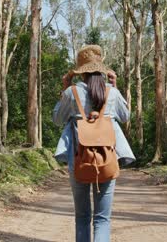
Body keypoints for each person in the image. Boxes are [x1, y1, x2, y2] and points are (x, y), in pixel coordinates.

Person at [52, 45, 135, 242]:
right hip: (107, 159)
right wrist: (114, 87)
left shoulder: (72, 93)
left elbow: (57, 119)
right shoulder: (111, 93)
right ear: (102, 70)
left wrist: (64, 89)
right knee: (102, 219)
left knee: (82, 217)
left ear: (80, 73)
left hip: (78, 159)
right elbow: (125, 117)